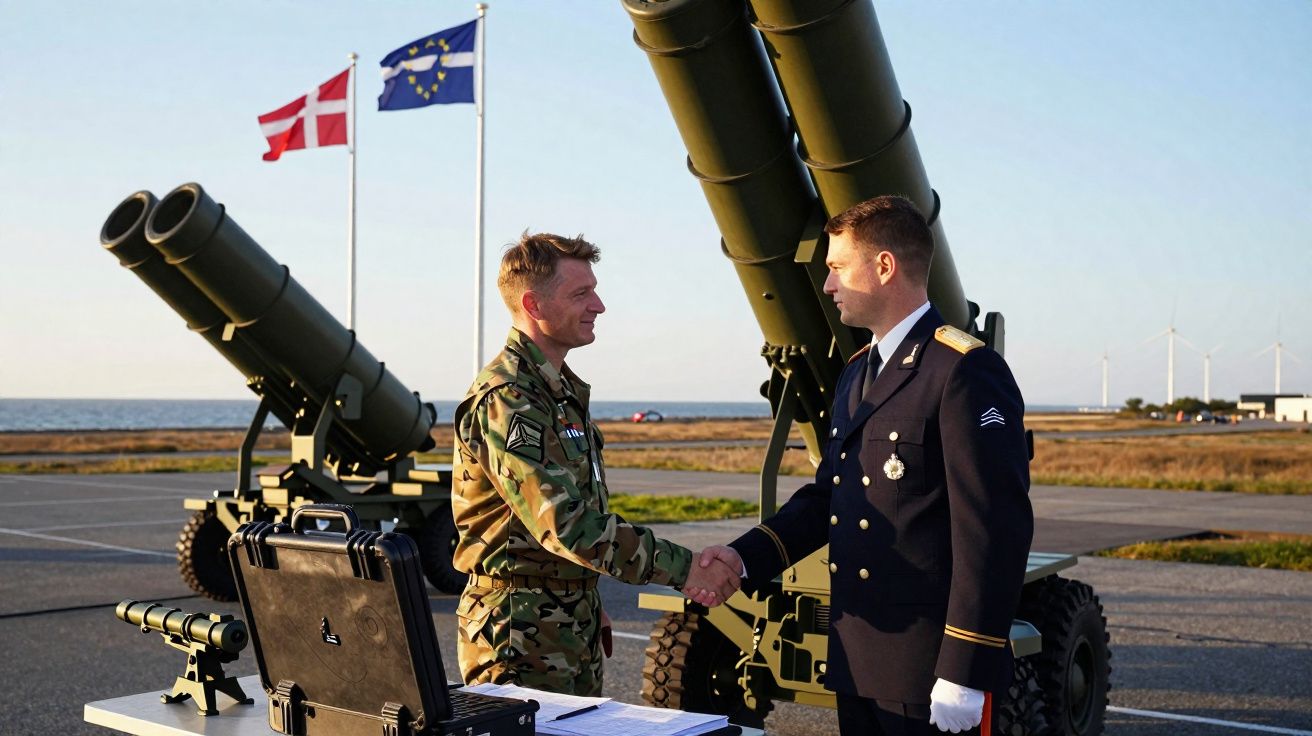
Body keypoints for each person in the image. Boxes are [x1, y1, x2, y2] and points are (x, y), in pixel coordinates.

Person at [693, 196, 1033, 735]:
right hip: (860, 662)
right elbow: (829, 497)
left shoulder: (963, 371)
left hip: (930, 672)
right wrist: (742, 557)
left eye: (836, 268)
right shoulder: (858, 373)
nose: (827, 286)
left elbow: (994, 529)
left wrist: (965, 668)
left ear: (883, 267)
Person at [452, 231, 740, 696]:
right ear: (534, 305)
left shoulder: (558, 392)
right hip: (519, 631)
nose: (599, 305)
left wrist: (582, 595)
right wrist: (685, 568)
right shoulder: (511, 399)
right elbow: (564, 524)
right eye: (581, 293)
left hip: (564, 616)